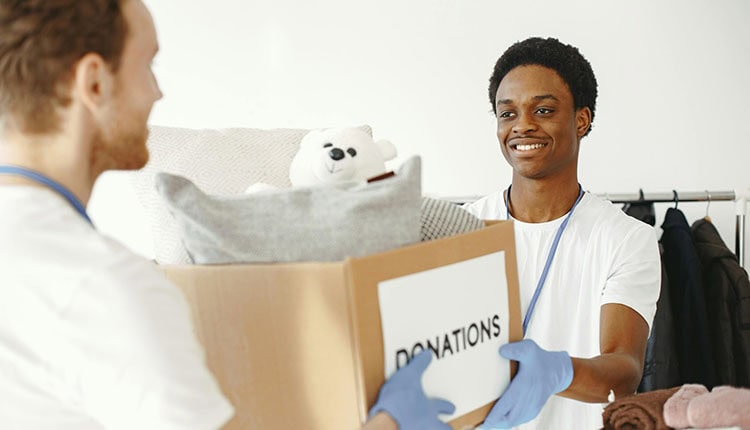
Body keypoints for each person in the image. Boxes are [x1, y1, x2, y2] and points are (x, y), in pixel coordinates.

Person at [0, 1, 452, 429]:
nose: (158, 91)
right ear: (95, 83)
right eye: (148, 65)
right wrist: (391, 422)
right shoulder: (104, 287)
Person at [463, 37, 661, 429]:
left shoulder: (626, 239)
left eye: (543, 109)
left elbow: (624, 371)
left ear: (582, 120)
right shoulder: (462, 230)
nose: (522, 126)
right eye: (507, 114)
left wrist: (558, 371)